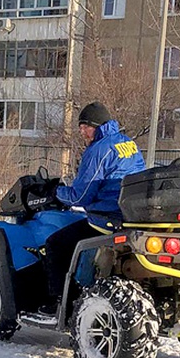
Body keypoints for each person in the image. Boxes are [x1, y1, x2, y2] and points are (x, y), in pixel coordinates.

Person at [40, 101, 147, 315]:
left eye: (85, 127)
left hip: (106, 217)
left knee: (55, 244)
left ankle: (63, 304)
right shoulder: (127, 143)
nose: (83, 132)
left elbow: (81, 195)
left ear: (97, 125)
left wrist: (56, 192)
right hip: (131, 216)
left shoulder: (98, 150)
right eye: (80, 128)